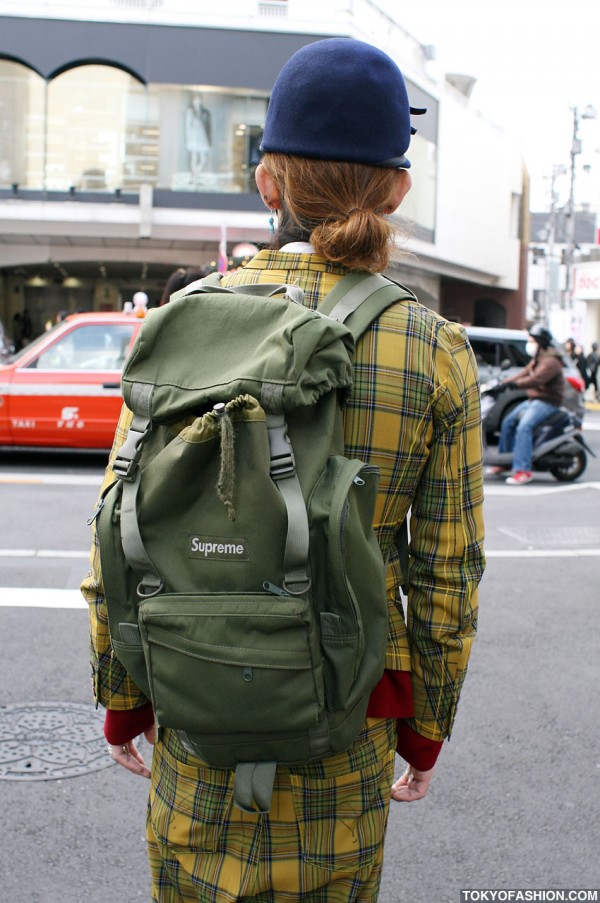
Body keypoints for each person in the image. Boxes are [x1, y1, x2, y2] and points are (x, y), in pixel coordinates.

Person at [82, 37, 485, 901]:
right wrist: (427, 724)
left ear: (268, 182)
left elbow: (118, 527)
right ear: (398, 189)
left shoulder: (184, 323)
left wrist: (123, 693)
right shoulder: (435, 349)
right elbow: (446, 572)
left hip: (197, 719)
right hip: (346, 731)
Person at [492, 323, 565, 485]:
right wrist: (504, 382)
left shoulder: (551, 361)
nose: (529, 344)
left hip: (547, 402)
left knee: (524, 427)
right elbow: (524, 372)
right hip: (534, 400)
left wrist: (514, 385)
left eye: (532, 340)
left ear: (541, 342)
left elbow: (535, 379)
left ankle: (524, 470)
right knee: (508, 421)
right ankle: (506, 461)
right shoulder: (539, 357)